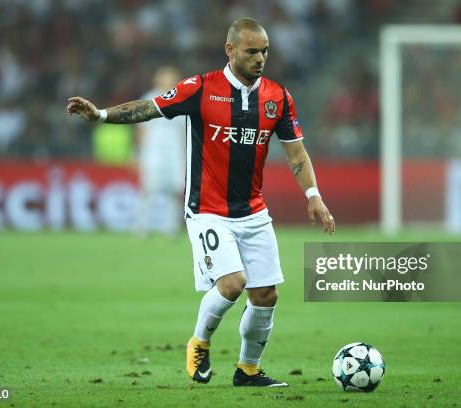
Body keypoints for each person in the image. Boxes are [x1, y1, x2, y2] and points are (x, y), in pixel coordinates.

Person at [67, 17, 335, 388]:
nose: (260, 58)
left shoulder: (277, 96)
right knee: (232, 283)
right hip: (208, 210)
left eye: (265, 51)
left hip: (254, 212)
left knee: (266, 294)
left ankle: (248, 370)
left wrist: (313, 195)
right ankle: (199, 341)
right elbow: (149, 108)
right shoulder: (201, 88)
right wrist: (100, 114)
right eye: (252, 51)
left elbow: (296, 153)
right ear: (230, 50)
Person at [135, 66, 186, 238]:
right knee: (147, 189)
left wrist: (186, 156)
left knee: (174, 191)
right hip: (153, 151)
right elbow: (141, 129)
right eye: (165, 77)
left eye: (171, 77)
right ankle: (142, 227)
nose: (168, 81)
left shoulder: (181, 101)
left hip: (174, 153)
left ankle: (170, 227)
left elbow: (183, 132)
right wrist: (139, 154)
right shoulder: (149, 99)